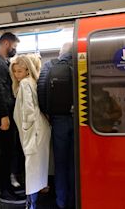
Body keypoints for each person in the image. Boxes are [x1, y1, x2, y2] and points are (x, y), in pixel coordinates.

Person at [0, 32, 26, 204]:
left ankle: (9, 186)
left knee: (10, 152)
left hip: (8, 113)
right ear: (7, 43)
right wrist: (3, 116)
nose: (15, 50)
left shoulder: (4, 63)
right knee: (5, 154)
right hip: (3, 116)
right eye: (15, 46)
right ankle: (5, 191)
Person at [10, 55, 51, 209]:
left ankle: (31, 204)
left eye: (19, 71)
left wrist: (27, 132)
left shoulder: (25, 83)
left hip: (33, 130)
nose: (16, 75)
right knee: (37, 167)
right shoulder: (33, 81)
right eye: (14, 71)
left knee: (32, 168)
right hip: (40, 129)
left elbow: (28, 112)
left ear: (27, 70)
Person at [37, 42, 75, 208]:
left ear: (61, 53)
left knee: (60, 163)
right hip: (80, 120)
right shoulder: (81, 63)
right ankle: (75, 200)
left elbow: (41, 91)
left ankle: (61, 202)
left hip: (58, 120)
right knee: (75, 163)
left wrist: (48, 114)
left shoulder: (49, 66)